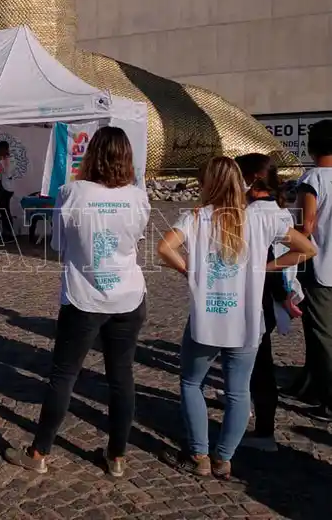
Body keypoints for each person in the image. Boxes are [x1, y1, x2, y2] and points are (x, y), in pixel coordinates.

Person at [3, 127, 150, 478]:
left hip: (84, 297)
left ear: (92, 155)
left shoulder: (71, 192)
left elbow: (58, 245)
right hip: (128, 295)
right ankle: (117, 456)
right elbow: (137, 238)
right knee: (121, 377)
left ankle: (39, 451)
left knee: (64, 376)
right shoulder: (137, 197)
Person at [158, 157, 315, 479]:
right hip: (246, 320)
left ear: (207, 183)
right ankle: (224, 458)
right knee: (238, 391)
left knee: (192, 382)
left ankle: (199, 454)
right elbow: (306, 249)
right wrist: (266, 268)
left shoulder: (197, 217)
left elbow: (164, 248)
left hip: (208, 318)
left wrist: (189, 271)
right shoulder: (260, 219)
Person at [235, 153, 301, 451]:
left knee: (258, 362)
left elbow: (281, 256)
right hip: (273, 295)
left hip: (259, 296)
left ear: (251, 179)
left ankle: (263, 430)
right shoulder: (278, 210)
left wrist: (267, 271)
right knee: (255, 359)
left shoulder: (254, 215)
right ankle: (248, 409)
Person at [289, 119, 332, 421]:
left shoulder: (313, 178)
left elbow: (306, 225)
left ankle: (328, 398)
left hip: (321, 267)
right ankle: (310, 384)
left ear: (311, 147)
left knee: (322, 335)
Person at [0, 141, 16, 242]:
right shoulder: (9, 160)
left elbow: (3, 174)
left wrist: (1, 162)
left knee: (4, 211)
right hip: (6, 188)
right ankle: (6, 233)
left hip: (5, 189)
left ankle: (8, 234)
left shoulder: (6, 161)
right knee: (4, 210)